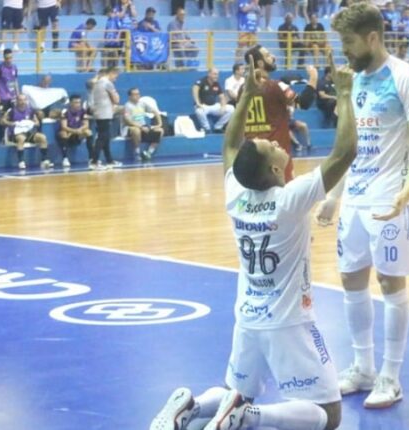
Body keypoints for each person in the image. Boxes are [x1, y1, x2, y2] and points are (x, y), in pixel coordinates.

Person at [150, 51, 356, 430]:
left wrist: (246, 95)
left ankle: (192, 409)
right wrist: (344, 94)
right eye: (269, 146)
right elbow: (345, 153)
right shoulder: (288, 200)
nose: (271, 141)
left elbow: (231, 146)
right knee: (329, 416)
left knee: (234, 392)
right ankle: (251, 418)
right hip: (289, 321)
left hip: (247, 317)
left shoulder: (236, 193)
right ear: (277, 169)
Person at [315, 2, 409, 409]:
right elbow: (350, 145)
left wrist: (407, 190)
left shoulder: (406, 78)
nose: (343, 50)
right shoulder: (352, 82)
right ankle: (363, 367)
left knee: (390, 282)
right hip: (355, 199)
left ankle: (390, 376)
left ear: (372, 38)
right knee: (351, 280)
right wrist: (333, 195)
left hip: (390, 199)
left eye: (347, 42)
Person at [242, 44, 318, 182]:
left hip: (252, 157)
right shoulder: (275, 86)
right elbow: (304, 103)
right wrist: (313, 78)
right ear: (260, 63)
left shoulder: (243, 89)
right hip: (276, 156)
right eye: (268, 55)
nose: (273, 57)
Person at [1, 94, 53, 170]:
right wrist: (12, 123)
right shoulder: (12, 111)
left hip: (28, 132)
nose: (22, 102)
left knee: (42, 137)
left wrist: (31, 123)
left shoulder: (30, 111)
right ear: (17, 101)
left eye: (24, 100)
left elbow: (37, 122)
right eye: (20, 100)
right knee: (21, 138)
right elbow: (2, 121)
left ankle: (44, 160)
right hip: (15, 134)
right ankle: (21, 161)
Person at [91, 66, 122, 169]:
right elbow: (116, 100)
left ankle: (109, 160)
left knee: (105, 138)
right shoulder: (108, 83)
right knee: (101, 138)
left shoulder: (97, 83)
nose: (115, 79)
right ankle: (94, 161)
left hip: (99, 112)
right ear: (111, 73)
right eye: (115, 76)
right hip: (105, 113)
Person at [123, 87, 164, 161]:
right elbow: (128, 120)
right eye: (135, 94)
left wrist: (160, 123)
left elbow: (155, 111)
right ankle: (137, 152)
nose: (137, 96)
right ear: (130, 96)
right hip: (131, 127)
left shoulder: (142, 103)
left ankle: (149, 153)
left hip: (143, 126)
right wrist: (141, 127)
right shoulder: (127, 106)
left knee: (160, 130)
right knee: (136, 131)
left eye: (138, 94)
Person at [193, 68, 235, 133]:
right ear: (209, 74)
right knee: (199, 111)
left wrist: (223, 106)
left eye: (217, 74)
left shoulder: (216, 84)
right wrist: (197, 102)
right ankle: (207, 129)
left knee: (231, 109)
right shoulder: (202, 81)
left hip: (213, 105)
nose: (216, 76)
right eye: (215, 74)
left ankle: (218, 127)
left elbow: (222, 97)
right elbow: (195, 89)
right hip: (203, 106)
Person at [0, 48, 20, 142]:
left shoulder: (14, 67)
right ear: (4, 58)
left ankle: (11, 137)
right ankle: (1, 139)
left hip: (12, 98)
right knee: (2, 118)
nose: (9, 60)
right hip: (1, 97)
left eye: (10, 58)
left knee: (13, 117)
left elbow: (15, 81)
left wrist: (18, 95)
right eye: (7, 58)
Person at [57, 94, 93, 168]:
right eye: (76, 102)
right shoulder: (65, 111)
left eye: (79, 102)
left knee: (88, 132)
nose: (78, 104)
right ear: (71, 103)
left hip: (77, 132)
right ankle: (65, 158)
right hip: (68, 132)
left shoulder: (83, 111)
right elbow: (64, 126)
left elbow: (86, 125)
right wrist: (74, 131)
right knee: (63, 133)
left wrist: (79, 130)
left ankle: (91, 158)